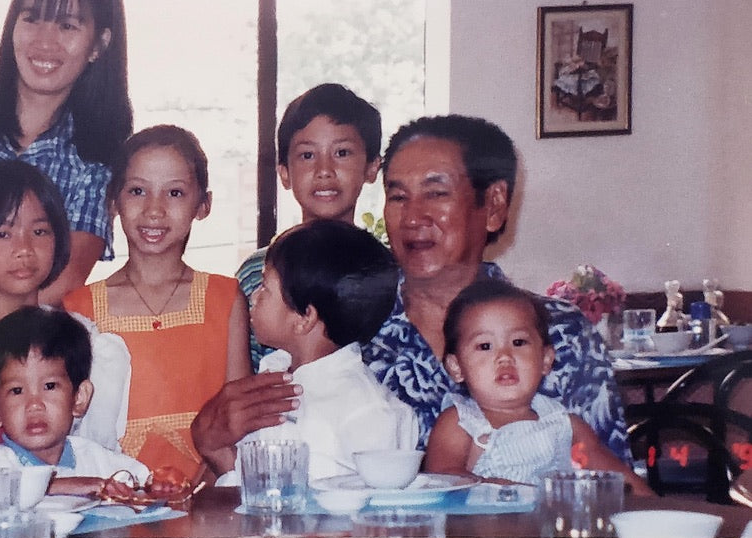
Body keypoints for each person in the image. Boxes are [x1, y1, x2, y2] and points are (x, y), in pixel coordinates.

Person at [191, 114, 630, 473]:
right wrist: (214, 440)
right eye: (397, 197)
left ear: (493, 205)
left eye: (435, 194)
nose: (413, 216)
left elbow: (611, 488)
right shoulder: (346, 323)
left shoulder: (563, 334)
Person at [64, 125, 250, 480]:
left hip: (205, 503)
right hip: (113, 502)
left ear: (203, 205)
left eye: (175, 193)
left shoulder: (225, 299)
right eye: (137, 191)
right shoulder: (78, 308)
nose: (154, 210)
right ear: (113, 201)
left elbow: (235, 420)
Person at [0, 0, 132, 305]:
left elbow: (65, 280)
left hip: (24, 344)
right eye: (32, 18)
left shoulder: (99, 161)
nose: (44, 41)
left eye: (67, 25)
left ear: (99, 44)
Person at [0, 160, 131, 450]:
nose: (24, 249)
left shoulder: (86, 342)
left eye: (39, 232)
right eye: (2, 234)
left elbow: (100, 452)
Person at [214, 220, 416, 483]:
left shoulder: (367, 413)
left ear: (304, 318)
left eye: (265, 287)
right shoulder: (273, 375)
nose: (253, 297)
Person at [425, 280, 652, 494]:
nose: (504, 357)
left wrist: (657, 509)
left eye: (518, 342)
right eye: (485, 346)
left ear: (545, 359)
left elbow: (618, 480)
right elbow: (442, 478)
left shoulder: (565, 424)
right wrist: (504, 490)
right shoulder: (461, 422)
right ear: (456, 367)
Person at [233, 83, 382, 368]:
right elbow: (241, 371)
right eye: (307, 155)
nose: (324, 170)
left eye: (342, 153)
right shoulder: (256, 274)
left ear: (372, 166)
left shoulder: (383, 272)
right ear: (285, 173)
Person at [0, 306, 149, 496]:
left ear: (79, 398)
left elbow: (140, 482)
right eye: (17, 391)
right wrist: (58, 486)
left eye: (49, 386)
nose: (34, 405)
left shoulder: (95, 458)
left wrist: (158, 487)